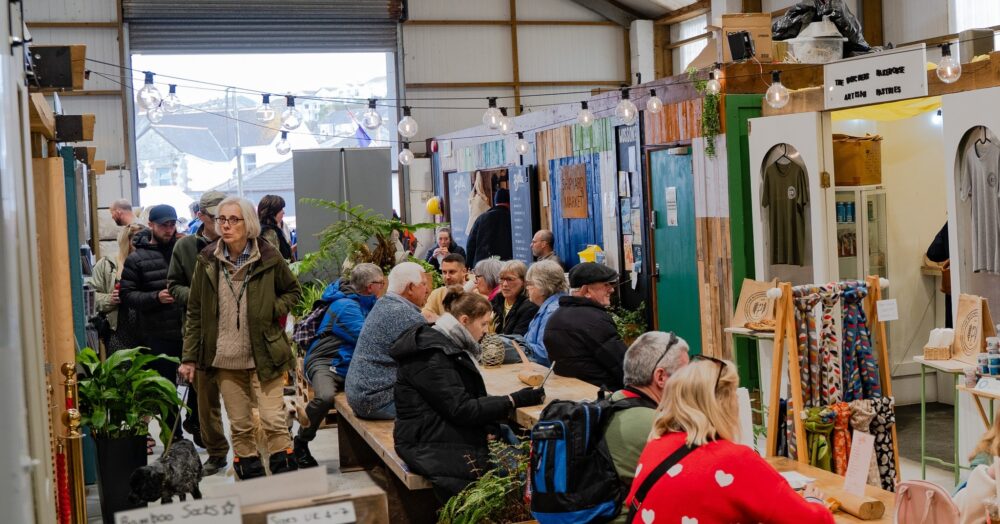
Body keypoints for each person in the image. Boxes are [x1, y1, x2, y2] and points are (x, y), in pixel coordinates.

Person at [178, 197, 302, 479]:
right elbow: (195, 311)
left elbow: (292, 291)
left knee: (273, 420)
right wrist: (189, 357)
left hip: (264, 354)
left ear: (249, 224)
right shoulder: (207, 260)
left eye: (234, 219)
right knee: (241, 425)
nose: (226, 225)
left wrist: (274, 309)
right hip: (224, 359)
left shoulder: (268, 256)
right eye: (222, 219)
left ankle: (288, 484)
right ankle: (252, 486)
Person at [625, 357, 834, 523]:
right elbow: (812, 520)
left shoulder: (656, 445)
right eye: (734, 394)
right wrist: (813, 502)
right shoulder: (733, 460)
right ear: (722, 403)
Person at [392, 287, 546, 501]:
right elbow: (462, 409)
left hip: (435, 430)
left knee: (517, 442)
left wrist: (491, 421)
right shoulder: (432, 355)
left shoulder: (444, 343)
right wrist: (513, 400)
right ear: (464, 320)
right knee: (524, 471)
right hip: (429, 443)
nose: (486, 331)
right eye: (483, 324)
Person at [294, 263, 384, 467]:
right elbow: (368, 340)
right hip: (326, 362)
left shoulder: (365, 302)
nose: (383, 286)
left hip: (346, 364)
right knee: (325, 397)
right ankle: (301, 441)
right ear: (370, 286)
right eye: (381, 282)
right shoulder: (347, 307)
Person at [167, 190, 229, 475]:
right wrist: (197, 296)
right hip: (201, 333)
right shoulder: (185, 248)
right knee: (205, 401)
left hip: (237, 334)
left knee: (243, 399)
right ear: (201, 216)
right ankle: (216, 453)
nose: (222, 222)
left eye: (227, 216)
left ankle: (250, 453)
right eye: (215, 216)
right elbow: (173, 285)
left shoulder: (246, 245)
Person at [604, 332, 689, 523]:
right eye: (685, 374)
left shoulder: (612, 402)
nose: (689, 383)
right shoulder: (660, 426)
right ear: (660, 377)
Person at [119, 204, 185, 444]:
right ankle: (173, 436)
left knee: (199, 388)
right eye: (163, 225)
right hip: (158, 333)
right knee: (165, 389)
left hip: (187, 331)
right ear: (151, 225)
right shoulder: (137, 259)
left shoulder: (182, 250)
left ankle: (196, 426)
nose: (169, 229)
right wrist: (155, 298)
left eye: (172, 224)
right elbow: (128, 296)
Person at [345, 261, 430, 420]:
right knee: (443, 407)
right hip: (376, 401)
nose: (428, 290)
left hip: (359, 395)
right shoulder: (406, 315)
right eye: (424, 284)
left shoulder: (384, 304)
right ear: (410, 288)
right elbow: (430, 362)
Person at [544, 262, 628, 390]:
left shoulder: (555, 317)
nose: (611, 289)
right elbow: (621, 364)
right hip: (602, 395)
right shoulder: (595, 320)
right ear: (586, 290)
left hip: (571, 392)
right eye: (606, 285)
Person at [89, 223, 147, 351]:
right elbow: (89, 298)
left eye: (146, 238)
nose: (142, 243)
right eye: (137, 239)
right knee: (121, 369)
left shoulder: (150, 263)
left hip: (148, 333)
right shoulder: (107, 265)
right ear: (126, 241)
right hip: (118, 334)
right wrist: (111, 299)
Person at [523, 260, 568, 365]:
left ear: (542, 286)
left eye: (530, 284)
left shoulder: (552, 312)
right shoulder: (552, 305)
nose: (527, 288)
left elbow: (545, 354)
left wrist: (518, 346)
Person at [465, 188, 512, 267]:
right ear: (510, 202)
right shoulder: (512, 218)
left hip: (482, 264)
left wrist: (468, 265)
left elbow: (470, 244)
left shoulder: (481, 218)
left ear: (495, 202)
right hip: (506, 264)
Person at [492, 260, 538, 336]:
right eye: (502, 279)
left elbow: (516, 339)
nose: (504, 284)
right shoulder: (497, 300)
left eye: (510, 279)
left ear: (524, 281)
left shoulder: (530, 307)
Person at [423, 253, 472, 322]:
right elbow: (425, 314)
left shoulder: (475, 293)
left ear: (464, 271)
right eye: (444, 272)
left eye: (452, 272)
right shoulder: (438, 293)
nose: (447, 277)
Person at [258, 194, 293, 261]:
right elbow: (275, 260)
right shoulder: (269, 233)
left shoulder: (261, 230)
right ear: (273, 212)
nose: (283, 212)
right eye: (281, 209)